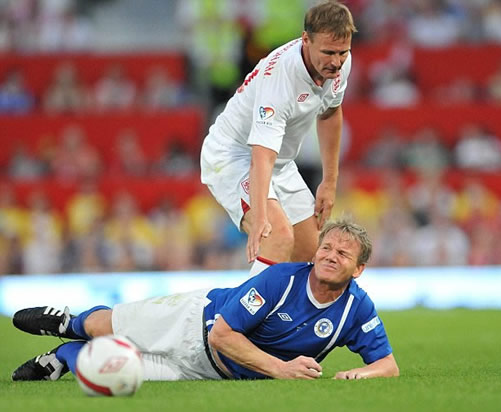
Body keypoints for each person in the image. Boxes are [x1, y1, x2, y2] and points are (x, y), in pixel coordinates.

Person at [12, 219, 399, 381]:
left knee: (114, 370)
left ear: (359, 269)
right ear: (315, 252)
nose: (331, 256)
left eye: (343, 254)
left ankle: (62, 357)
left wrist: (357, 374)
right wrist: (281, 369)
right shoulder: (282, 279)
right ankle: (69, 322)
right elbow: (223, 335)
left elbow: (387, 365)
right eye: (326, 247)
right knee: (102, 326)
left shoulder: (355, 307)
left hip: (211, 372)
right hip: (194, 321)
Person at [200, 1, 356, 277]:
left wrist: (329, 183)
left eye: (343, 53)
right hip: (232, 156)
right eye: (328, 52)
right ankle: (235, 320)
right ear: (305, 40)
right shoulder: (281, 77)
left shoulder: (339, 62)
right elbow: (261, 154)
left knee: (311, 251)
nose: (336, 62)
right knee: (277, 237)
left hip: (279, 163)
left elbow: (330, 113)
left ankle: (284, 320)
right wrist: (259, 216)